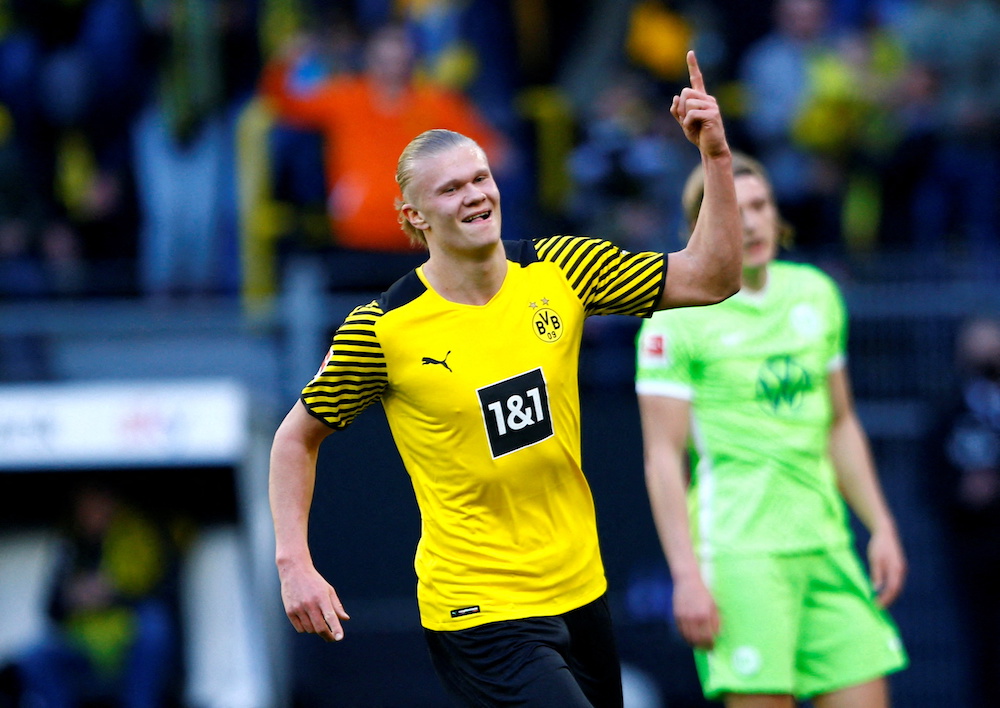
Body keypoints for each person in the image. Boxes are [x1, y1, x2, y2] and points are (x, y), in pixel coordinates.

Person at [268, 50, 741, 707]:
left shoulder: (561, 269)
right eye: (452, 189)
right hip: (479, 607)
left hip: (580, 586)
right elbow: (296, 438)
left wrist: (715, 157)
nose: (476, 195)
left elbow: (713, 277)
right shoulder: (382, 328)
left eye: (480, 177)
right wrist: (295, 564)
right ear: (414, 219)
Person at [634, 151, 909, 707]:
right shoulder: (676, 318)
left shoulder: (815, 294)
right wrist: (686, 575)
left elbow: (840, 423)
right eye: (732, 208)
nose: (751, 221)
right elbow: (663, 457)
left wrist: (879, 522)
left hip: (825, 545)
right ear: (699, 228)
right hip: (741, 553)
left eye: (760, 205)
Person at [15, 481, 179, 708]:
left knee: (155, 625)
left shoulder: (137, 534)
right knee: (36, 656)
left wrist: (110, 593)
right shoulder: (69, 546)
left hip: (129, 644)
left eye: (95, 505)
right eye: (83, 507)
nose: (89, 513)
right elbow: (51, 609)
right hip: (84, 648)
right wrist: (72, 596)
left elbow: (159, 591)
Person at [926, 315, 1000, 708]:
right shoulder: (948, 414)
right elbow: (931, 481)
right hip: (974, 551)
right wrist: (963, 493)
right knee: (984, 646)